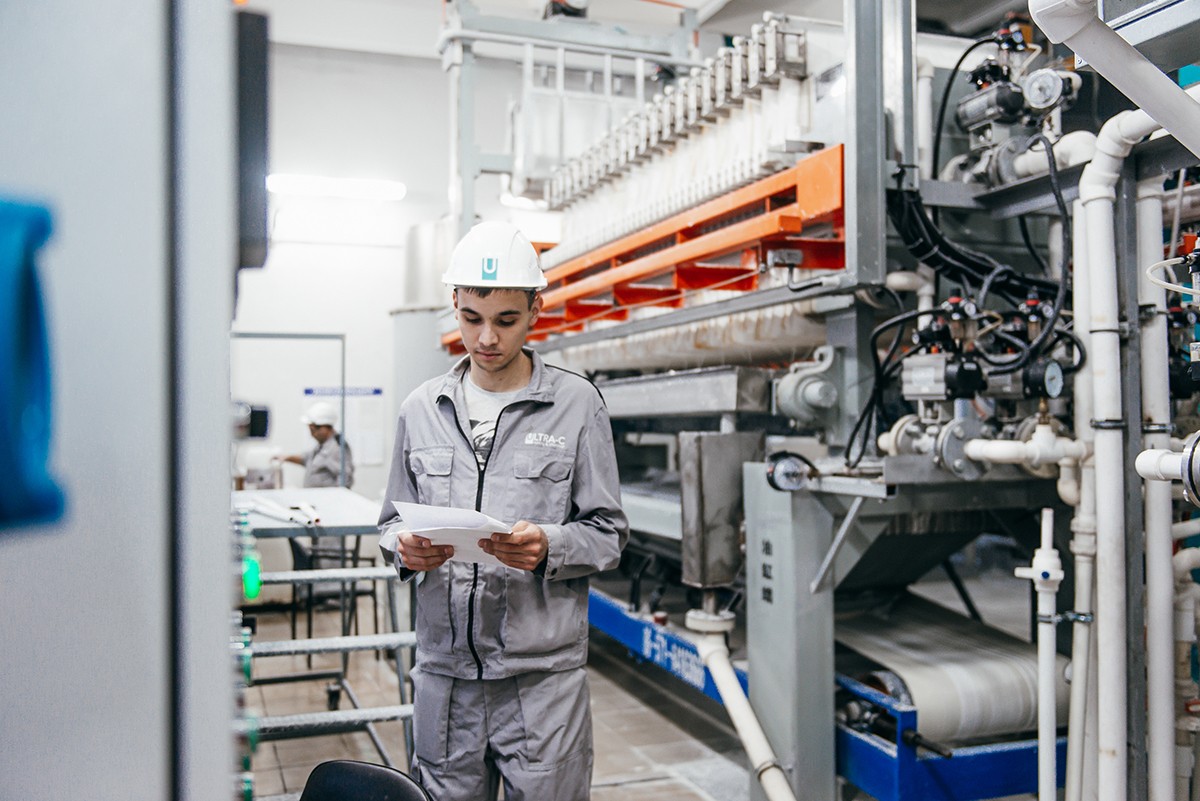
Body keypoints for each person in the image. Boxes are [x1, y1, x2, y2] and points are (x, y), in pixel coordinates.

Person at [378, 221, 628, 801]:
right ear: (455, 306)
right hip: (445, 678)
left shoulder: (575, 404)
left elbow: (608, 534)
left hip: (540, 681)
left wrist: (550, 547)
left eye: (506, 320)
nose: (486, 338)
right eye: (472, 319)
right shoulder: (421, 409)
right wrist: (404, 549)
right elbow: (390, 522)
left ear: (536, 309)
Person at [282, 400, 354, 489]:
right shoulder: (322, 446)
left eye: (313, 430)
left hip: (327, 500)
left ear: (324, 427)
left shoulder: (335, 448)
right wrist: (286, 458)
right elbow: (307, 459)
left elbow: (345, 478)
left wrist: (335, 498)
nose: (312, 434)